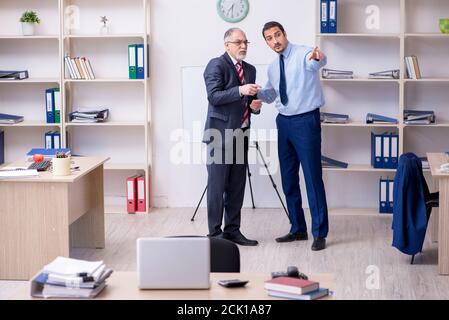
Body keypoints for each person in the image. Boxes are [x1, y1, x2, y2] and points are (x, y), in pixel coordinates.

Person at [257, 21, 329, 251]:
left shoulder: (303, 53)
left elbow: (316, 62)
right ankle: (298, 228)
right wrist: (257, 95)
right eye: (269, 38)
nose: (275, 41)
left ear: (284, 34)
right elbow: (271, 95)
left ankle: (320, 233)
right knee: (288, 178)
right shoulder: (272, 67)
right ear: (266, 42)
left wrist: (319, 57)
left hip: (306, 121)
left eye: (277, 35)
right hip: (284, 122)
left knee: (312, 178)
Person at [202, 28, 262, 246]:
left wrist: (255, 107)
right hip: (219, 135)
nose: (243, 45)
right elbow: (214, 96)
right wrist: (240, 90)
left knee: (237, 187)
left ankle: (232, 231)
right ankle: (215, 235)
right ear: (227, 44)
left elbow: (248, 102)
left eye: (246, 41)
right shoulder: (216, 65)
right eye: (238, 42)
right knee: (217, 187)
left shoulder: (250, 69)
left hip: (241, 134)